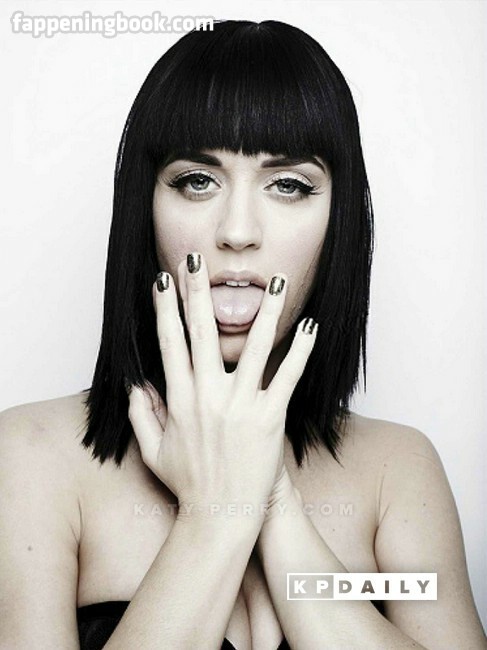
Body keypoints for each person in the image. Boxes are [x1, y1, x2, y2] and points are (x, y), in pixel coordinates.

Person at [0, 19, 485, 650]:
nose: (237, 231)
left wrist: (268, 493)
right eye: (196, 181)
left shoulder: (399, 470)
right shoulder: (31, 457)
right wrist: (215, 514)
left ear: (339, 220)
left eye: (289, 186)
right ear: (144, 205)